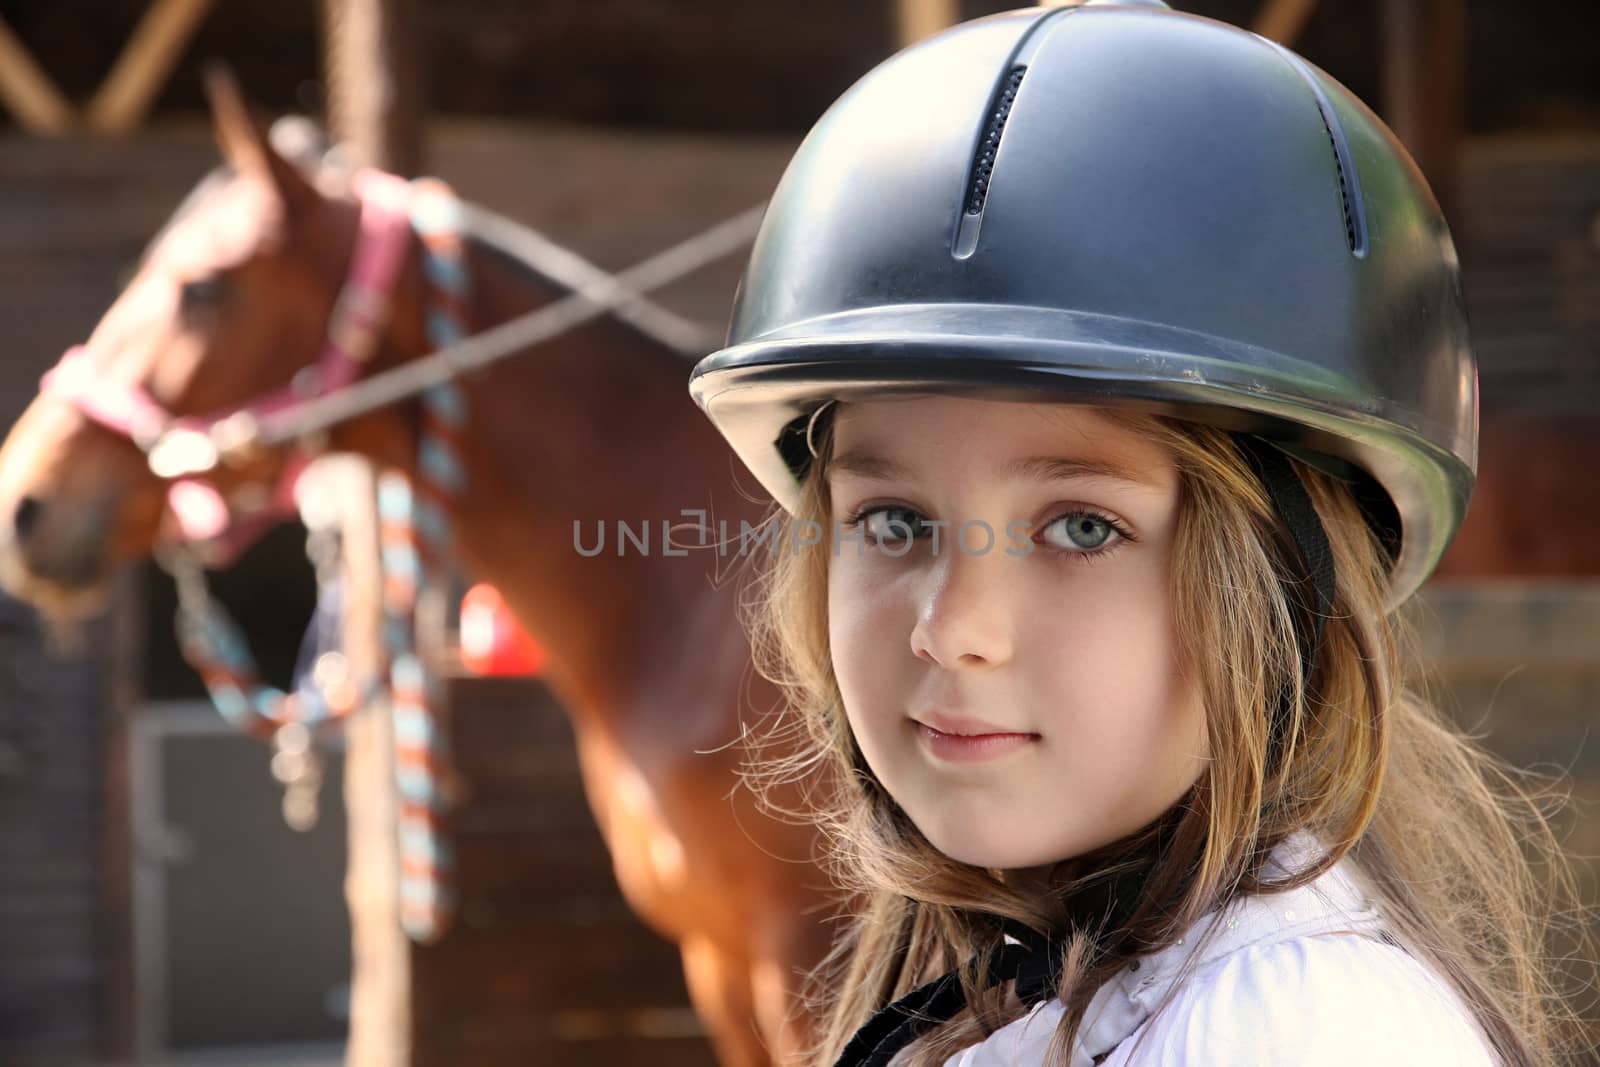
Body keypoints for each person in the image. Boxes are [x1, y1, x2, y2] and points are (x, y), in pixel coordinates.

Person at [686, 2, 1597, 1065]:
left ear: (1285, 584)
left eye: (1080, 525)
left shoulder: (1287, 1027)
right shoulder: (1018, 993)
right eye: (892, 519)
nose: (952, 627)